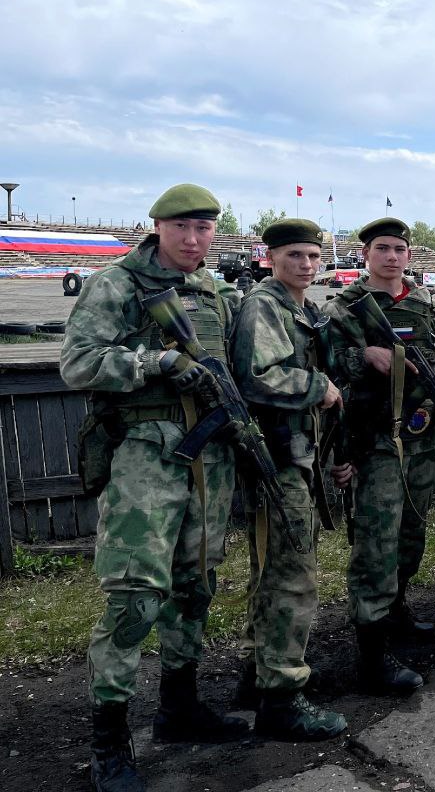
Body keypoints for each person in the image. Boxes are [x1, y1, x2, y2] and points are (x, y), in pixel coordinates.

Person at [62, 184, 249, 792]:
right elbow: (78, 363)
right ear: (159, 227)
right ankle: (109, 741)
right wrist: (154, 363)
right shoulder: (116, 285)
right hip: (146, 457)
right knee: (135, 596)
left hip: (210, 456)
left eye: (205, 228)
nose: (194, 240)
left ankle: (179, 707)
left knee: (195, 585)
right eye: (182, 228)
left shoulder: (216, 292)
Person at [230, 218, 348, 741]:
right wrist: (319, 386)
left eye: (313, 256)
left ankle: (259, 673)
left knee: (275, 567)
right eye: (295, 255)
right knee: (292, 574)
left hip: (297, 455)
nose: (306, 264)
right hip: (277, 458)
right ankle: (281, 696)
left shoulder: (299, 307)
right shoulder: (265, 305)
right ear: (270, 257)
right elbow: (256, 376)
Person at [323, 217, 435, 695]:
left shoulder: (424, 305)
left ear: (409, 256)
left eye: (399, 249)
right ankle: (372, 655)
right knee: (376, 544)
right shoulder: (345, 308)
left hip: (421, 439)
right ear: (366, 255)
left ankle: (397, 611)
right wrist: (364, 357)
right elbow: (326, 364)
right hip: (375, 443)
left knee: (411, 534)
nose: (392, 257)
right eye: (382, 248)